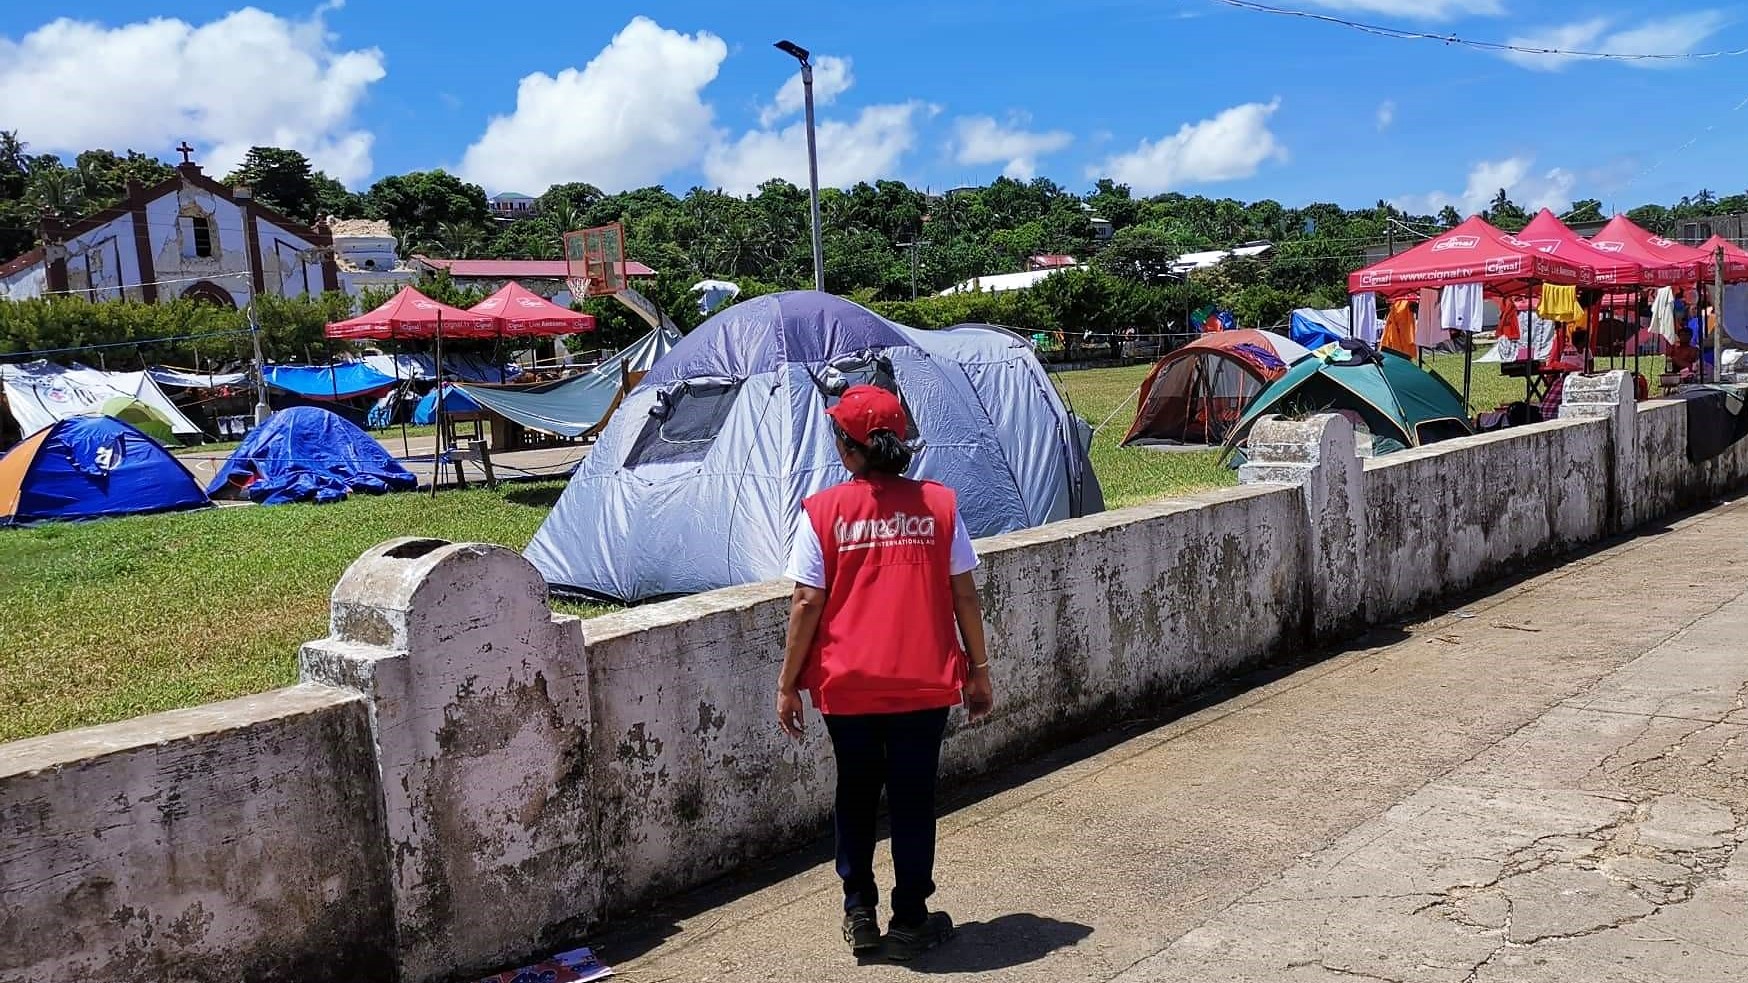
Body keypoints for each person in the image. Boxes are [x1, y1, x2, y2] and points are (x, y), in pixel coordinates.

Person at [776, 384, 995, 961]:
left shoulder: (823, 511)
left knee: (855, 792)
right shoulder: (940, 506)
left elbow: (805, 602)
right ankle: (911, 917)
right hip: (923, 683)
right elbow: (964, 596)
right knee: (913, 798)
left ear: (848, 450)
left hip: (847, 686)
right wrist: (979, 669)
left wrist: (787, 683)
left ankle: (859, 912)